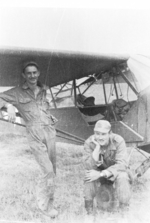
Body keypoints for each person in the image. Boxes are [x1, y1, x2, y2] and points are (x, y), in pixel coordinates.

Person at [0, 61, 58, 218]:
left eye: (34, 72)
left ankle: (50, 201)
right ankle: (45, 207)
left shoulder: (44, 90)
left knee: (53, 170)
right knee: (47, 170)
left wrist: (49, 116)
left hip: (50, 131)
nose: (32, 76)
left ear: (38, 73)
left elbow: (44, 108)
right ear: (24, 75)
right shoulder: (17, 92)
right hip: (34, 133)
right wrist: (9, 106)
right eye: (29, 73)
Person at [84, 120, 131, 214]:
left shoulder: (118, 141)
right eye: (97, 134)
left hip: (115, 173)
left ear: (110, 133)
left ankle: (124, 212)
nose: (100, 137)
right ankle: (89, 212)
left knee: (123, 176)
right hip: (99, 172)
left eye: (103, 134)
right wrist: (97, 149)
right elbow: (88, 166)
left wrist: (101, 174)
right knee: (88, 175)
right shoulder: (90, 142)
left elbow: (121, 164)